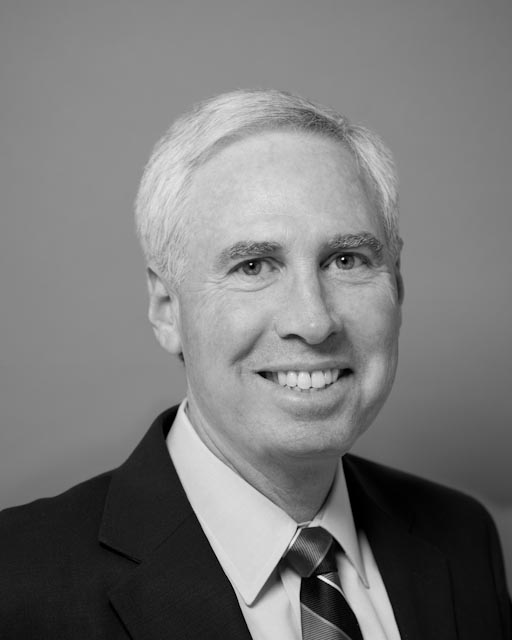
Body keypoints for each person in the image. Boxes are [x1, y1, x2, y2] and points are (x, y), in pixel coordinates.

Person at [0, 89, 510, 640]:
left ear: (398, 285)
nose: (313, 321)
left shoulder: (462, 539)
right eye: (253, 266)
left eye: (346, 260)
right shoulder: (19, 583)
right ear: (167, 308)